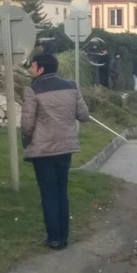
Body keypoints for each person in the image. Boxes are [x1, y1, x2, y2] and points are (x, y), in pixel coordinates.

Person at [20, 54, 90, 250]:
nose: (30, 69)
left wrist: (26, 141)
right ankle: (64, 236)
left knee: (49, 193)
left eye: (32, 66)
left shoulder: (33, 90)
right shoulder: (71, 86)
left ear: (41, 69)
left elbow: (26, 124)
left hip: (43, 150)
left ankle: (54, 238)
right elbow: (84, 115)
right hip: (65, 148)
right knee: (61, 191)